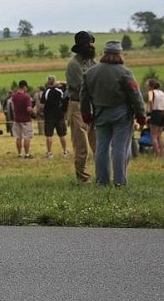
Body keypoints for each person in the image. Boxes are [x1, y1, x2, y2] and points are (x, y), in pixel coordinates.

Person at [80, 41, 146, 186]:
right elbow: (135, 95)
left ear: (104, 53)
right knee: (120, 148)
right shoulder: (125, 72)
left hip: (100, 114)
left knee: (101, 148)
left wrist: (86, 114)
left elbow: (83, 96)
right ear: (119, 54)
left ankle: (102, 181)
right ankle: (119, 181)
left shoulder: (90, 73)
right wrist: (141, 115)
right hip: (121, 115)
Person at [66, 31, 97, 183]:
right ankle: (83, 178)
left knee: (98, 143)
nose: (91, 45)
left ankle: (102, 175)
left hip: (94, 105)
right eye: (88, 43)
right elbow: (81, 88)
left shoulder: (93, 63)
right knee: (81, 145)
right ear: (81, 46)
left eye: (92, 42)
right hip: (77, 105)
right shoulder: (73, 65)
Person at [40, 75, 69, 158]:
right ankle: (65, 151)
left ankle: (49, 152)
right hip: (59, 115)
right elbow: (67, 86)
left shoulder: (46, 92)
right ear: (54, 81)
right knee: (62, 134)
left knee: (49, 135)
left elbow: (42, 105)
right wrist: (60, 82)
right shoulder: (60, 91)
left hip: (49, 116)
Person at [11, 80, 35, 159]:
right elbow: (28, 109)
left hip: (17, 118)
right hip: (25, 119)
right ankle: (27, 154)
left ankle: (19, 153)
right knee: (26, 137)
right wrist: (33, 111)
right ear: (25, 86)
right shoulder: (26, 96)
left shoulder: (14, 96)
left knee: (18, 137)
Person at [144, 79, 164, 157]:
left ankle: (157, 154)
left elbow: (150, 100)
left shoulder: (151, 92)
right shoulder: (162, 93)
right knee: (159, 135)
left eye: (147, 84)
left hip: (156, 113)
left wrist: (151, 110)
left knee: (153, 135)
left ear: (151, 86)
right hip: (162, 112)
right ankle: (162, 154)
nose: (146, 86)